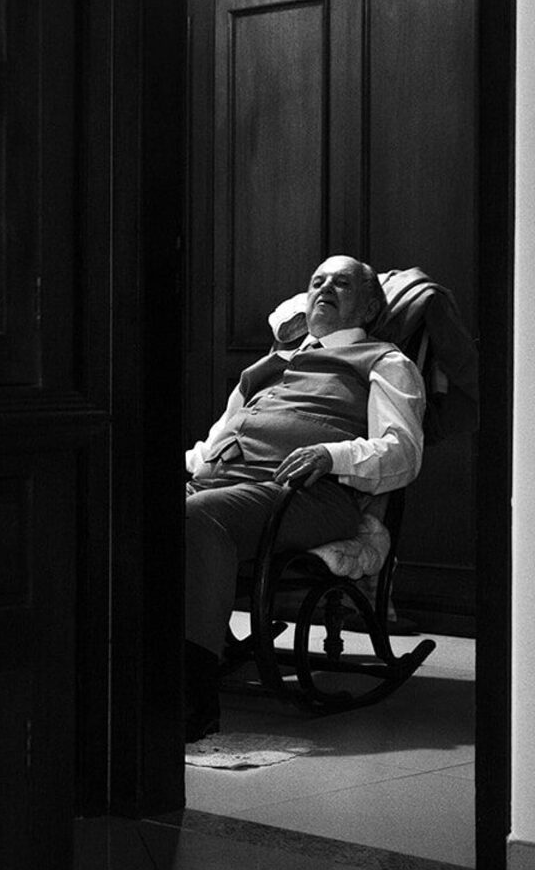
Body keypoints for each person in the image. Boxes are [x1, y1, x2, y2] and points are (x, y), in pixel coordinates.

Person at [182, 256, 425, 741]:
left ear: (370, 307)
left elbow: (403, 452)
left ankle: (192, 698)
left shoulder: (385, 362)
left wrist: (331, 454)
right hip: (224, 484)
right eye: (318, 282)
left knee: (198, 518)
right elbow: (213, 444)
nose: (325, 289)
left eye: (343, 283)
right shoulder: (267, 367)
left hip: (306, 494)